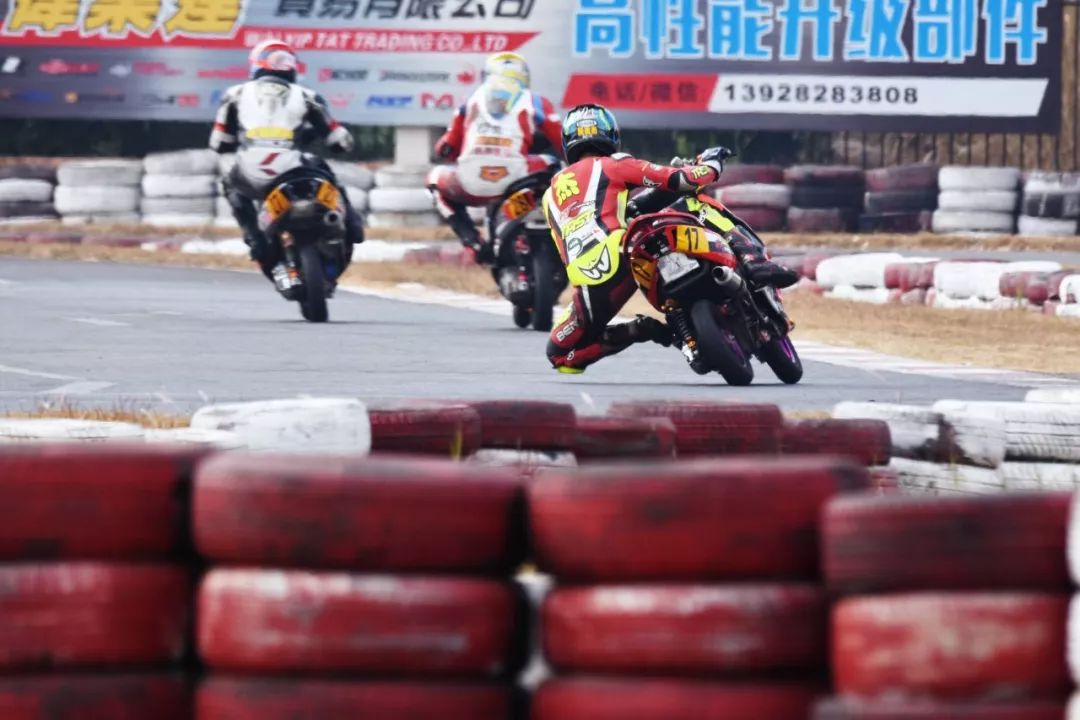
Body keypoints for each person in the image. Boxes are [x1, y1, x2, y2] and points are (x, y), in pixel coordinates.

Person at [542, 103, 799, 374]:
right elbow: (679, 180)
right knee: (694, 201)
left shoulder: (549, 197)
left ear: (568, 141)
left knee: (558, 354)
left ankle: (642, 330)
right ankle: (754, 260)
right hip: (624, 252)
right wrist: (711, 164)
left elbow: (581, 233)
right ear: (610, 134)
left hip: (590, 287)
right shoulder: (612, 164)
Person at [209, 39, 363, 279]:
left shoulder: (234, 94)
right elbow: (341, 142)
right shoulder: (308, 96)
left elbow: (219, 142)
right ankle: (352, 225)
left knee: (231, 184)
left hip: (251, 170)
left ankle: (253, 238)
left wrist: (242, 140)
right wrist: (314, 137)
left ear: (256, 65)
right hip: (294, 168)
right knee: (326, 172)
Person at [428, 52, 563, 263]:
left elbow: (447, 148)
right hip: (517, 180)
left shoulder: (469, 101)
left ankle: (472, 241)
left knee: (434, 178)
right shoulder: (535, 101)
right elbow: (561, 141)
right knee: (554, 165)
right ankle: (557, 224)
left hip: (471, 183)